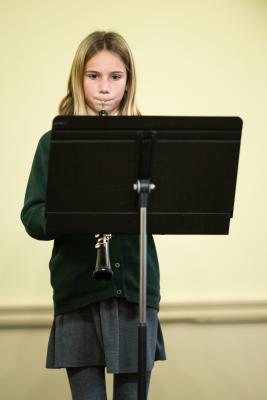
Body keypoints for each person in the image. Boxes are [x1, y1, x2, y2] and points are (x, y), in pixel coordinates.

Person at [20, 31, 166, 400]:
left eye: (115, 77)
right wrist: (73, 208)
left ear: (128, 81)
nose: (104, 87)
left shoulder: (148, 141)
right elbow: (33, 215)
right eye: (93, 76)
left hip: (134, 289)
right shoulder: (53, 142)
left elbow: (171, 208)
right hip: (78, 292)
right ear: (78, 78)